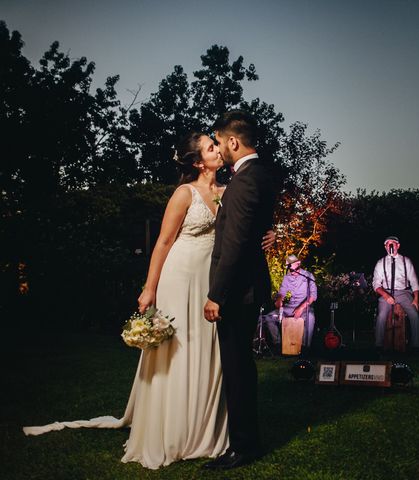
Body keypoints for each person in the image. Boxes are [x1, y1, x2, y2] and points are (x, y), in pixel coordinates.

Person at [22, 132, 275, 470]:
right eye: (211, 146)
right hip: (181, 276)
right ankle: (173, 429)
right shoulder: (183, 194)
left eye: (217, 144)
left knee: (210, 352)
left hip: (212, 280)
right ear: (199, 161)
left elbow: (241, 230)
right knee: (180, 350)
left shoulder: (229, 191)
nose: (218, 149)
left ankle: (206, 429)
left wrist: (268, 234)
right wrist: (149, 287)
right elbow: (163, 242)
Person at [203, 111, 276, 471]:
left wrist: (217, 294)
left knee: (237, 369)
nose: (217, 147)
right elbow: (255, 228)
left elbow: (234, 244)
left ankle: (244, 446)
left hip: (238, 291)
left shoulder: (245, 180)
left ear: (233, 142)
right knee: (240, 367)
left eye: (218, 141)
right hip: (248, 287)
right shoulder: (261, 175)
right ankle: (245, 440)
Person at [372, 236, 419, 351]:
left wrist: (416, 299)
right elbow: (376, 284)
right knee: (381, 315)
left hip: (403, 292)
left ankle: (415, 345)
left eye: (392, 244)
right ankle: (378, 345)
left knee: (414, 314)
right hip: (386, 292)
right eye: (388, 244)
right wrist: (385, 295)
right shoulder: (380, 263)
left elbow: (414, 281)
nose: (390, 246)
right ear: (385, 247)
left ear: (398, 246)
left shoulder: (406, 261)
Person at [262, 254, 317, 351]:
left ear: (298, 264)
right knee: (270, 317)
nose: (291, 272)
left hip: (305, 307)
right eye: (289, 269)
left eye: (292, 269)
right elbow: (282, 293)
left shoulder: (308, 276)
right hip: (290, 307)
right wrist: (279, 300)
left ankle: (304, 347)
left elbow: (313, 296)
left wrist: (301, 308)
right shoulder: (287, 277)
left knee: (310, 318)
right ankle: (278, 344)